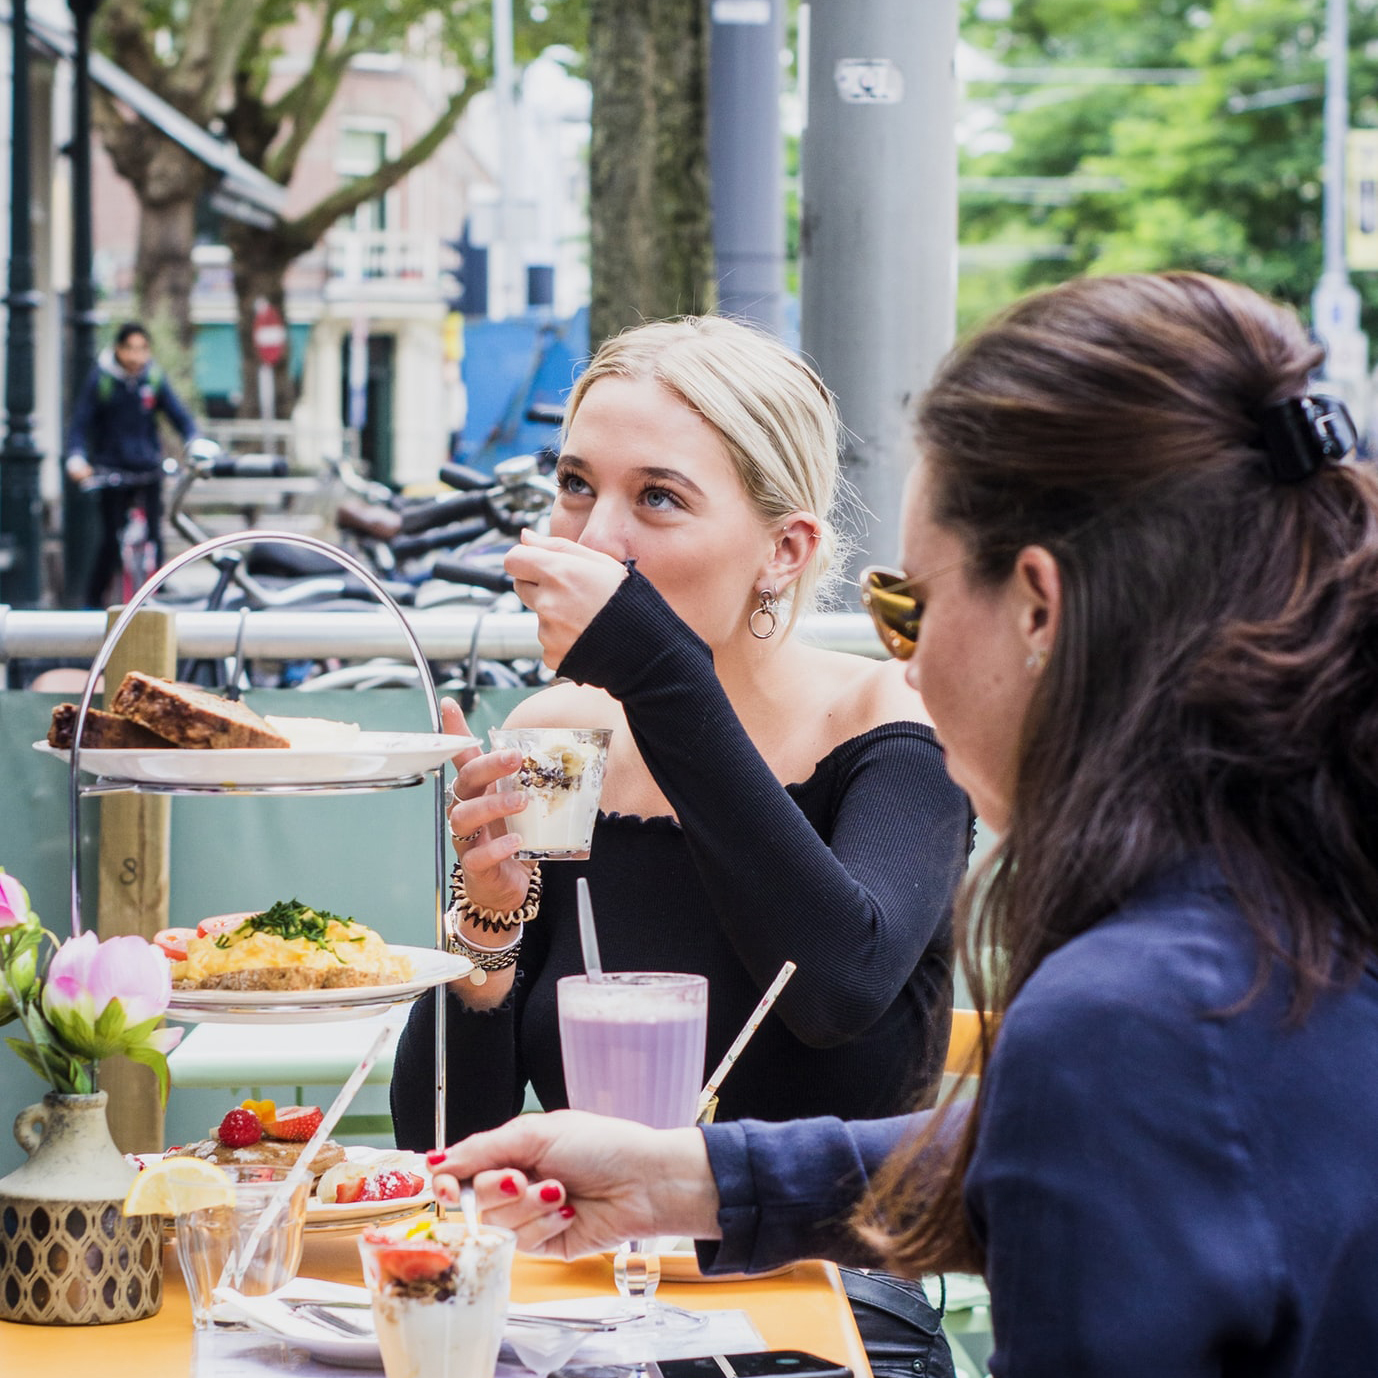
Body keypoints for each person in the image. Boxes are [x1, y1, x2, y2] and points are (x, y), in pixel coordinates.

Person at [428, 272, 1378, 1378]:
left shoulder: (1128, 1012)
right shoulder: (1284, 912)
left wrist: (656, 672)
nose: (905, 656)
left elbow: (858, 995)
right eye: (574, 486)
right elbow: (1054, 1156)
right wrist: (678, 1177)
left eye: (908, 606)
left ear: (1037, 607)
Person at [391, 317, 972, 1373]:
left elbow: (835, 988)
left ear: (783, 552)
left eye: (657, 497)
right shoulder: (558, 738)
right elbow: (448, 1135)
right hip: (585, 1314)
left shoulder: (889, 725)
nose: (595, 536)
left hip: (824, 1325)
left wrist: (655, 676)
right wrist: (484, 930)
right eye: (576, 485)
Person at [65, 321, 198, 607]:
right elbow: (79, 424)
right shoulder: (101, 380)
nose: (137, 357)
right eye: (131, 349)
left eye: (143, 349)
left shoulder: (153, 379)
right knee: (111, 542)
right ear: (118, 349)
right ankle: (92, 603)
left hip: (148, 470)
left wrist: (195, 444)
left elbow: (181, 418)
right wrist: (77, 459)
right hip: (111, 471)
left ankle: (157, 600)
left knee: (154, 539)